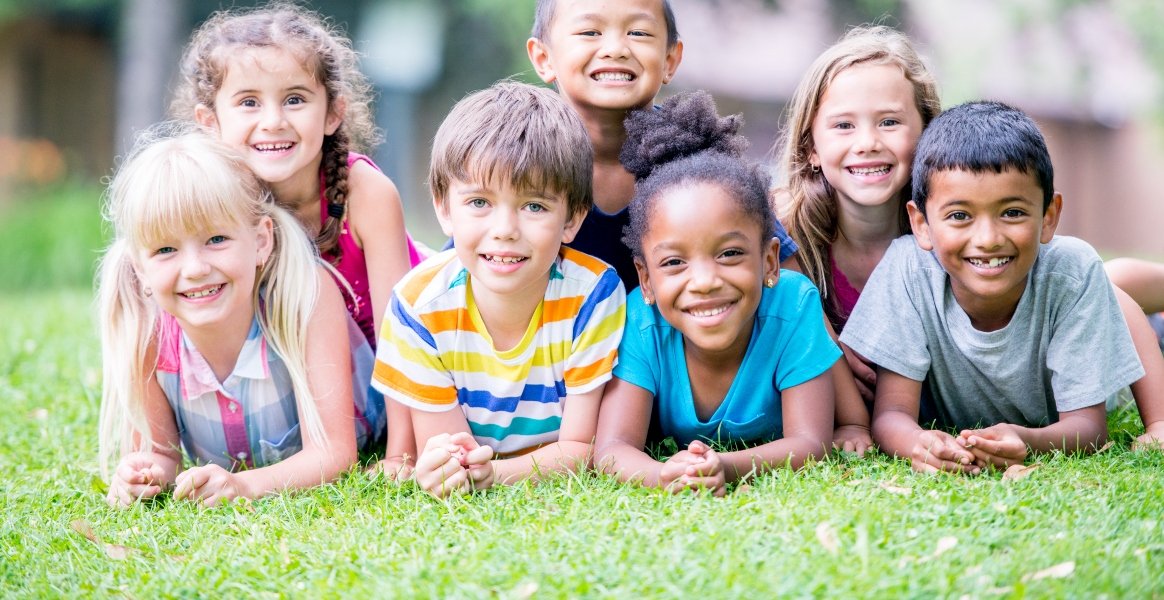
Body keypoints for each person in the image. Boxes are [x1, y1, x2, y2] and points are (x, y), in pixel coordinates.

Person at [776, 25, 1164, 453]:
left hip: (1049, 336)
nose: (868, 142)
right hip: (946, 374)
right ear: (811, 144)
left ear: (925, 131)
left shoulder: (956, 212)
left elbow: (1077, 282)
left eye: (889, 121)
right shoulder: (790, 237)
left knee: (1108, 284)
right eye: (844, 125)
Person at [841, 101, 1159, 473]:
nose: (988, 239)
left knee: (1112, 288)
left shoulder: (1073, 272)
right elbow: (892, 415)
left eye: (1012, 213)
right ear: (921, 224)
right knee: (1104, 279)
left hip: (1106, 327)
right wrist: (917, 443)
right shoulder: (908, 269)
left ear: (1048, 216)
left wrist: (1028, 439)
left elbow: (1089, 428)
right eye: (960, 216)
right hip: (1063, 287)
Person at [173, 3, 423, 473]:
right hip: (322, 386)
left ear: (332, 113)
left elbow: (404, 336)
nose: (272, 121)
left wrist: (402, 453)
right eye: (248, 102)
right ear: (211, 122)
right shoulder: (217, 207)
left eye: (294, 99)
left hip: (392, 375)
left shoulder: (366, 194)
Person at [97, 127, 382, 507]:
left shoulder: (303, 297)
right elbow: (162, 454)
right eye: (166, 249)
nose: (195, 268)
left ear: (261, 241)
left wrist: (244, 486)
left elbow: (333, 452)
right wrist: (142, 475)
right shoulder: (146, 331)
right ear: (140, 268)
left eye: (216, 239)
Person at [372, 82, 626, 497]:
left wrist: (492, 476)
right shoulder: (417, 305)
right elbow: (450, 453)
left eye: (534, 206)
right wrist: (448, 468)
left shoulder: (593, 296)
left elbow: (581, 448)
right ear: (443, 208)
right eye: (478, 202)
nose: (504, 230)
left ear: (573, 219)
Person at [594, 91, 838, 496]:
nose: (705, 281)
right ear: (647, 279)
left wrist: (724, 465)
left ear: (770, 261)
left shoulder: (793, 305)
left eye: (729, 254)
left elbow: (812, 443)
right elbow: (612, 449)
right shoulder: (639, 321)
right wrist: (665, 475)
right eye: (674, 262)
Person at [526, 0, 799, 291]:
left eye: (639, 33)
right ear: (544, 58)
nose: (616, 48)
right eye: (590, 32)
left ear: (670, 60)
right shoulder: (518, 159)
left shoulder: (702, 157)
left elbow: (791, 288)